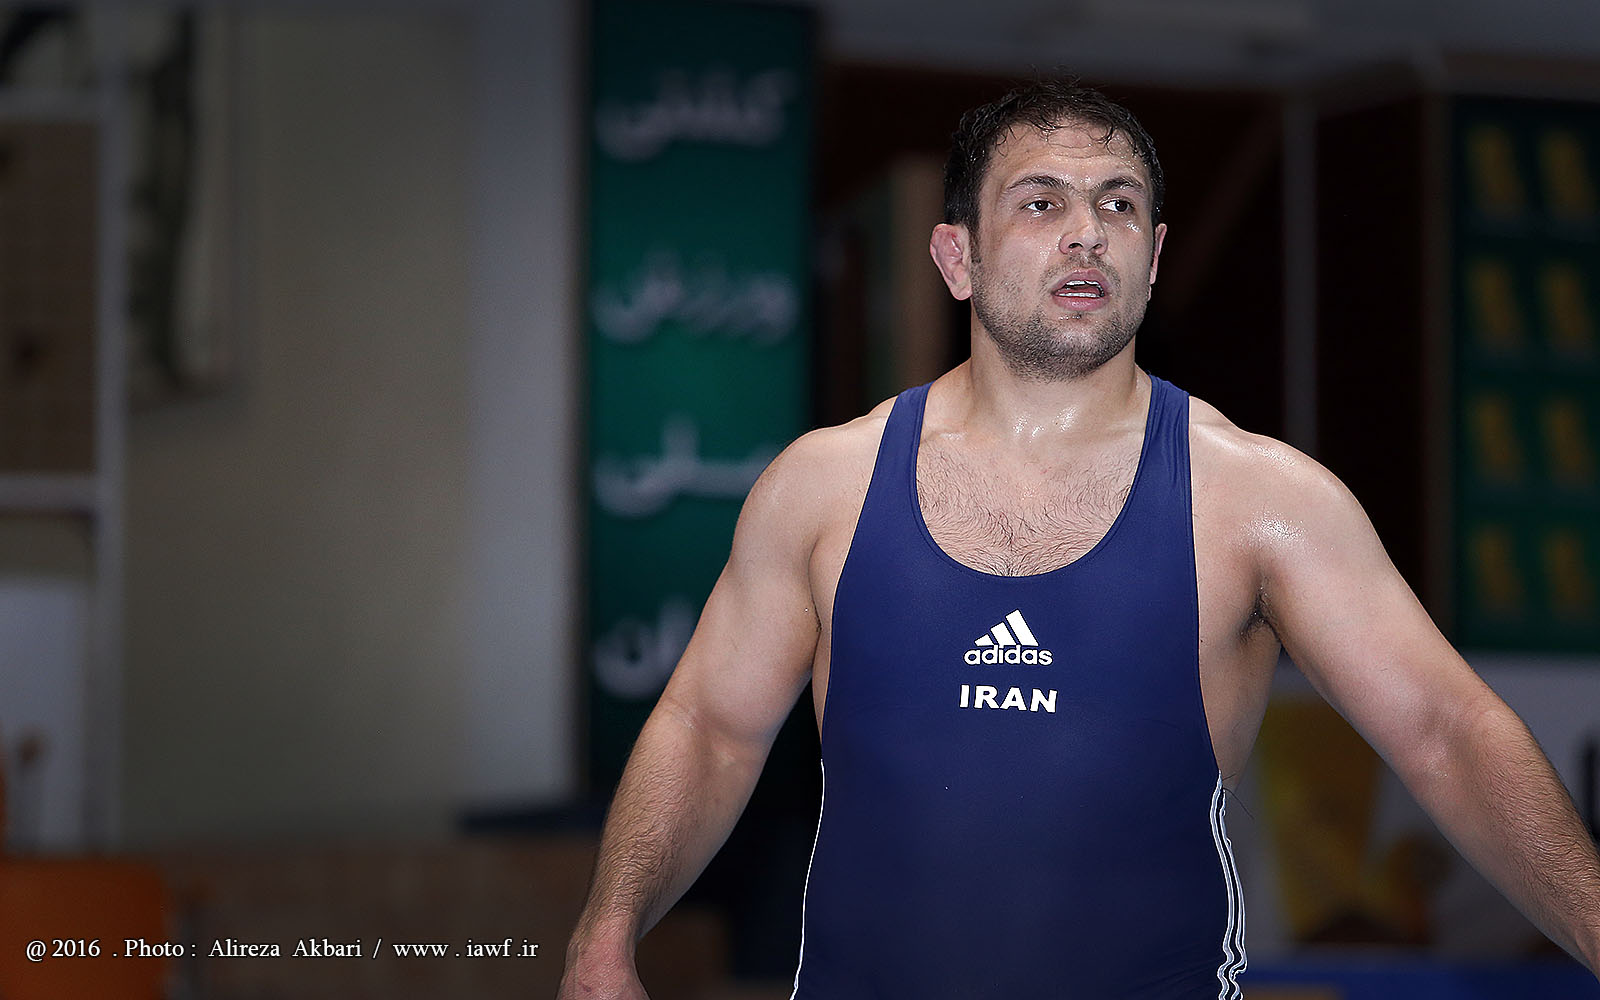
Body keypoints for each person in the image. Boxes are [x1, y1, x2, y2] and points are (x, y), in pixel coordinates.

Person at [559, 81, 1600, 998]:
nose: (1087, 233)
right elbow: (709, 728)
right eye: (1041, 202)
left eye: (1118, 204)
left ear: (1153, 257)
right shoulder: (824, 486)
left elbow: (1446, 731)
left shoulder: (1259, 500)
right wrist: (605, 937)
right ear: (957, 257)